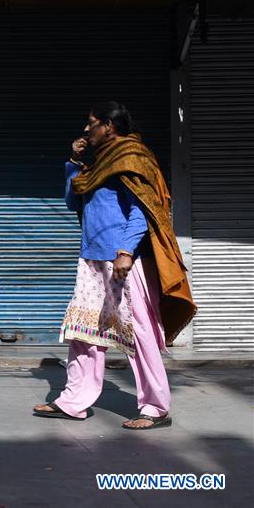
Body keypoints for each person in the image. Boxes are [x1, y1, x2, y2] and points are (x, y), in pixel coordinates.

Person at [33, 102, 197, 429]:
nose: (85, 130)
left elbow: (142, 209)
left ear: (108, 126)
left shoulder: (132, 157)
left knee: (137, 332)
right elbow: (72, 201)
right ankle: (74, 400)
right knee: (84, 332)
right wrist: (74, 164)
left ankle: (155, 407)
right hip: (93, 256)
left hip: (125, 259)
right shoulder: (97, 164)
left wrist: (125, 251)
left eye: (90, 123)